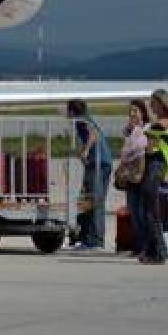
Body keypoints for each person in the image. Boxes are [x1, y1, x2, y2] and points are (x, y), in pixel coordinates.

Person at [67, 99, 113, 250]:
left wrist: (86, 150)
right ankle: (88, 239)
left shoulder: (82, 121)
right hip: (99, 163)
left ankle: (95, 241)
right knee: (88, 200)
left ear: (72, 111)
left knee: (94, 201)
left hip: (99, 164)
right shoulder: (84, 119)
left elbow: (93, 135)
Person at [117, 100, 151, 257]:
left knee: (142, 212)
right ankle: (138, 245)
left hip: (143, 174)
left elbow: (144, 150)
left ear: (143, 113)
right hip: (130, 175)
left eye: (136, 111)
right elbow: (124, 154)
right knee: (133, 212)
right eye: (130, 111)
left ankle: (147, 245)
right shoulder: (128, 132)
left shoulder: (147, 129)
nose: (132, 114)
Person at [139, 91, 168, 264]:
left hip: (156, 166)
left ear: (161, 103)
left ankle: (159, 252)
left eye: (153, 103)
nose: (151, 106)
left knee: (151, 212)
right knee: (151, 211)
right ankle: (152, 250)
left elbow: (151, 147)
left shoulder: (160, 123)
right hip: (158, 166)